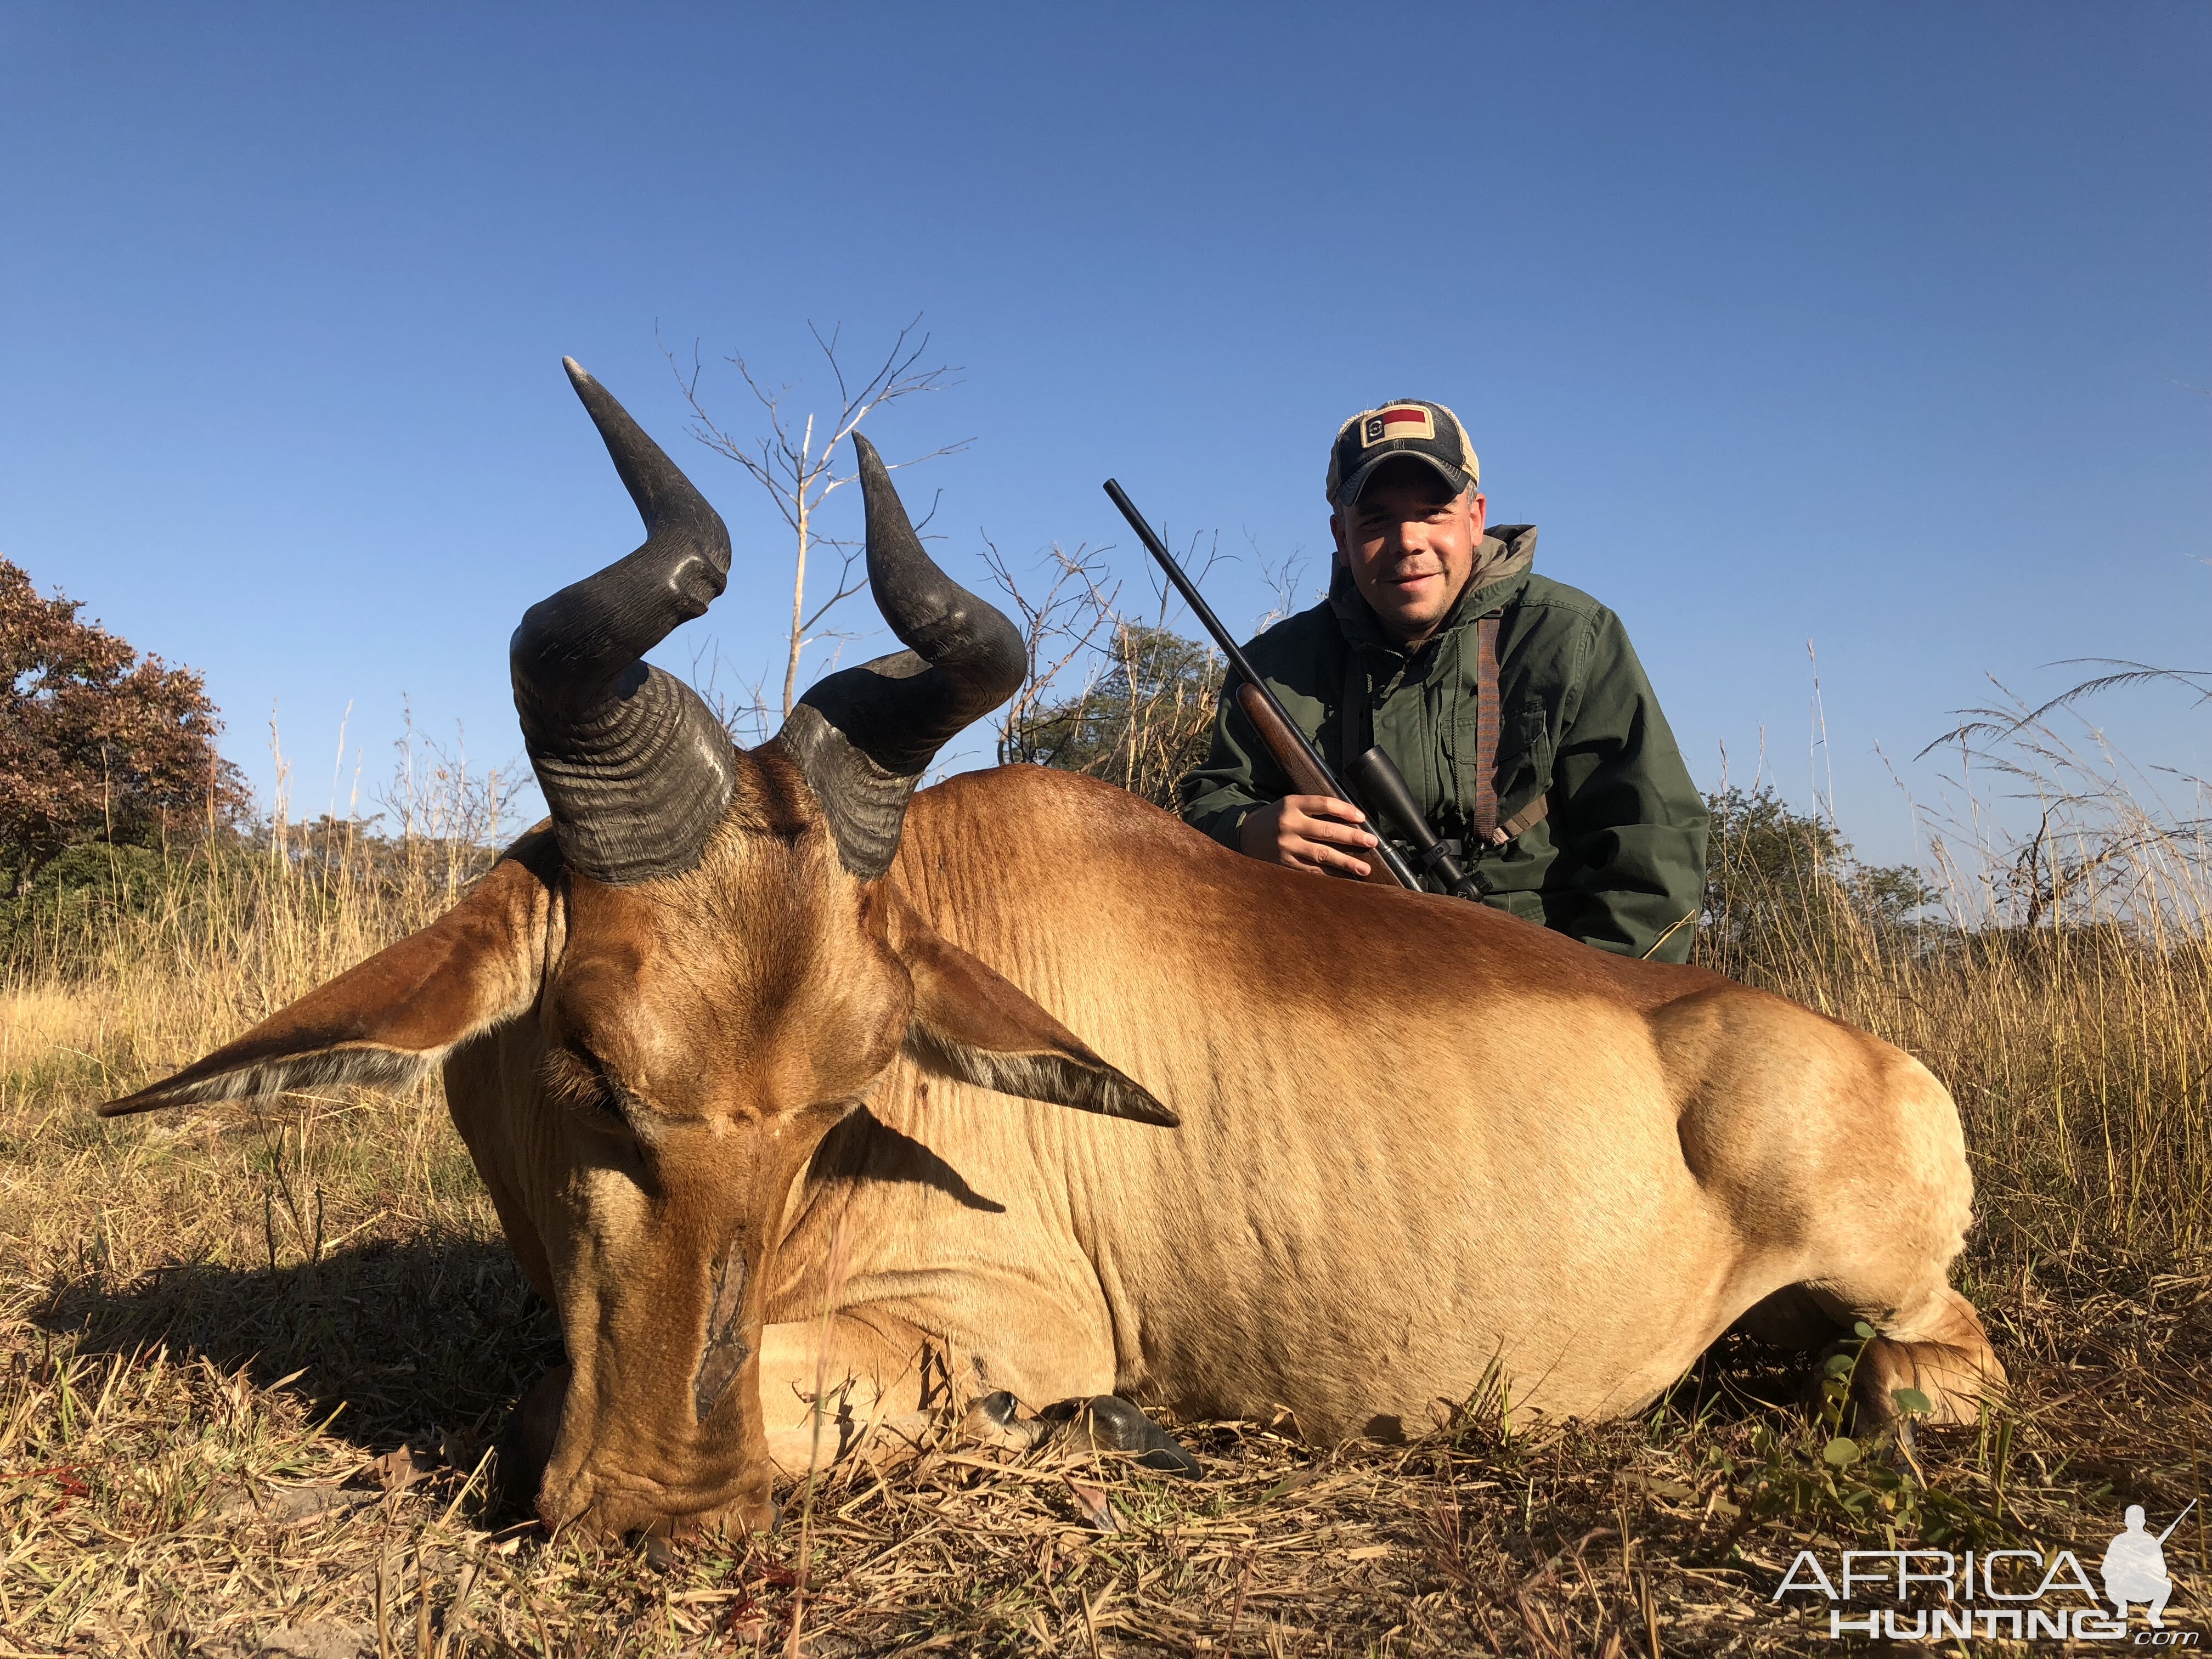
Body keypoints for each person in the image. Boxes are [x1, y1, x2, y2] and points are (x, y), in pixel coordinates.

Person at [1180, 398, 1709, 961]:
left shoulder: (1572, 636)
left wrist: (1603, 1007)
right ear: (1341, 534)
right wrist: (1246, 832)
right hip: (1343, 974)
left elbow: (1651, 848)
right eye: (1376, 519)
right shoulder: (1272, 665)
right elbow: (1209, 804)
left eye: (1433, 512)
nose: (1409, 541)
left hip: (1544, 982)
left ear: (1476, 519)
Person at [2101, 1505, 2175, 1627]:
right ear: (2126, 1522)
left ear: (2144, 1522)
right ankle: (2122, 1608)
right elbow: (2106, 1570)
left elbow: (2162, 1570)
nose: (2136, 1523)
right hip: (2123, 1586)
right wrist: (2124, 1569)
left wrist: (2148, 1568)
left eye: (2138, 1520)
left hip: (2145, 1587)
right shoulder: (2119, 1541)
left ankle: (2154, 1614)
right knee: (2110, 1583)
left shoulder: (2150, 1541)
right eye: (2132, 1520)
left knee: (2166, 1583)